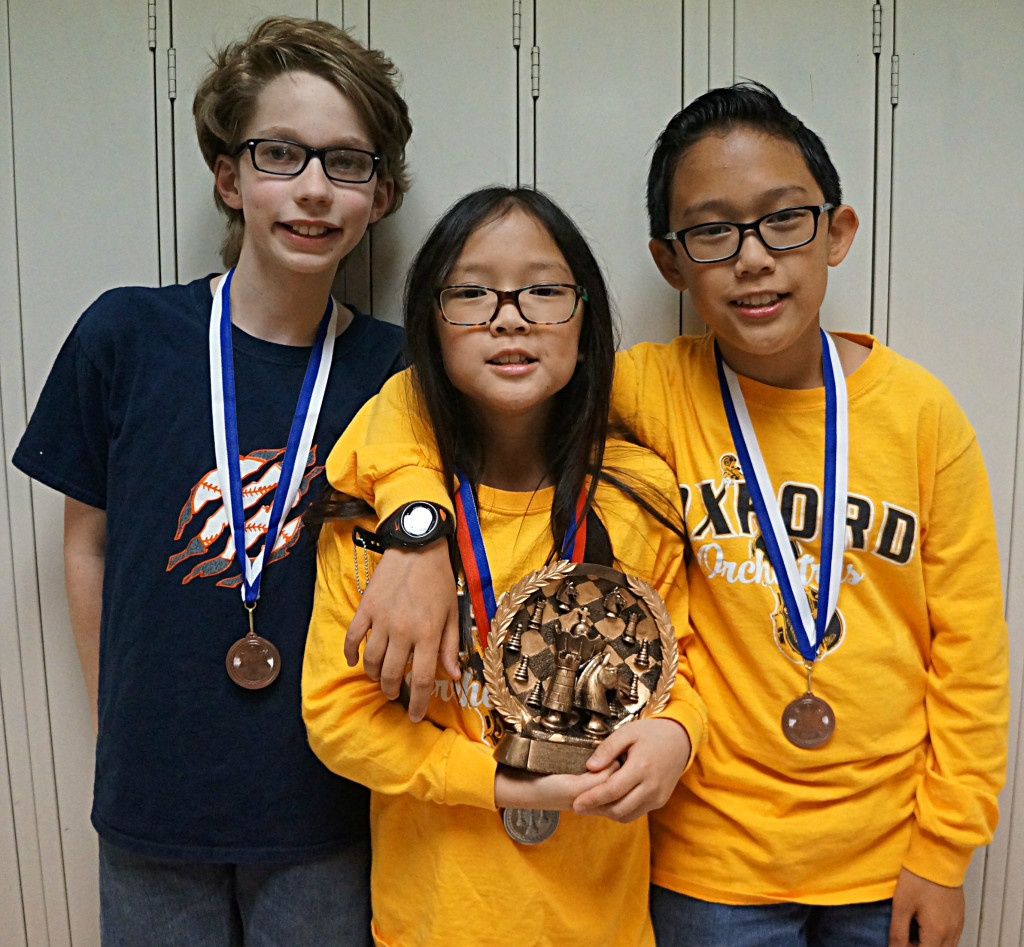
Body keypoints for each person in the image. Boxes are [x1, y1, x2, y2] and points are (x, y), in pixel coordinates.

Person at [313, 83, 1010, 947]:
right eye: (713, 231)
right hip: (707, 863)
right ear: (670, 260)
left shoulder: (921, 417)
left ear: (838, 231)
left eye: (783, 220)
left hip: (884, 854)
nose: (752, 257)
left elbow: (972, 659)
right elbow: (421, 396)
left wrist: (946, 849)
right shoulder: (649, 385)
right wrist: (418, 526)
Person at [12, 15, 411, 945]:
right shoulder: (127, 336)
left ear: (380, 195)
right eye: (281, 154)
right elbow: (90, 543)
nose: (313, 190)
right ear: (230, 177)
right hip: (158, 798)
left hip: (327, 799)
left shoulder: (398, 372)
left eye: (347, 162)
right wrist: (120, 730)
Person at [301, 186, 707, 947]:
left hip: (602, 924)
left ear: (586, 323)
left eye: (545, 290)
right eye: (471, 291)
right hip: (434, 921)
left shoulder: (639, 492)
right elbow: (337, 717)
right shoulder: (379, 515)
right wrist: (498, 783)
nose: (509, 314)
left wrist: (676, 737)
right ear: (431, 323)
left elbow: (686, 673)